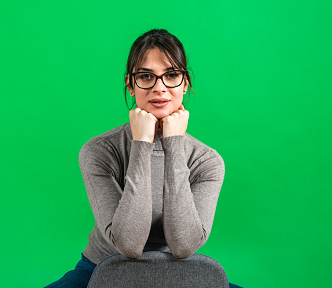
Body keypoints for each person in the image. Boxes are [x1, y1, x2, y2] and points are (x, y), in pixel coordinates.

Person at [45, 29, 241, 288]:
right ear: (130, 84)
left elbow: (183, 245)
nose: (159, 88)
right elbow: (129, 245)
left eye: (171, 75)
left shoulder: (206, 161)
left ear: (185, 83)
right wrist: (141, 145)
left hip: (182, 273)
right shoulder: (99, 151)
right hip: (102, 268)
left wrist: (174, 145)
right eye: (146, 76)